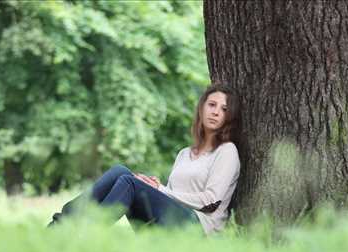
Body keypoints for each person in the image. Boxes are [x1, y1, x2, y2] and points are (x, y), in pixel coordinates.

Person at [47, 83, 241, 235]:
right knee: (120, 171)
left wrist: (162, 190)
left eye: (224, 109)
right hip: (170, 218)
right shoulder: (184, 154)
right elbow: (170, 196)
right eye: (212, 105)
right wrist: (154, 188)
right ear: (202, 108)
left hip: (198, 228)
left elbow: (211, 202)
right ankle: (59, 225)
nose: (216, 112)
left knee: (129, 183)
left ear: (229, 117)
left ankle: (88, 235)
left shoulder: (227, 151)